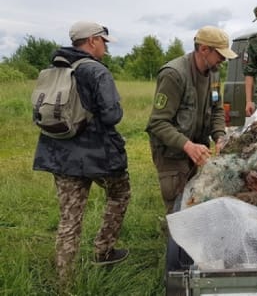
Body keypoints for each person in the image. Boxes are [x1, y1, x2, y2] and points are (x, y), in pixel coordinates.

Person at [33, 21, 131, 284]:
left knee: (69, 218)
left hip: (59, 154)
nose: (105, 47)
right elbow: (113, 115)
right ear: (92, 41)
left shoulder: (55, 69)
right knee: (119, 194)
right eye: (103, 42)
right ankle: (103, 251)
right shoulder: (97, 72)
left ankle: (66, 281)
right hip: (98, 155)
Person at [146, 26, 237, 214]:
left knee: (196, 201)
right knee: (178, 207)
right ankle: (175, 242)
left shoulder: (214, 73)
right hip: (172, 152)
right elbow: (157, 123)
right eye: (220, 54)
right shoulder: (174, 74)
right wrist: (188, 146)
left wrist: (220, 136)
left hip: (197, 148)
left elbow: (217, 109)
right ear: (204, 49)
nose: (223, 60)